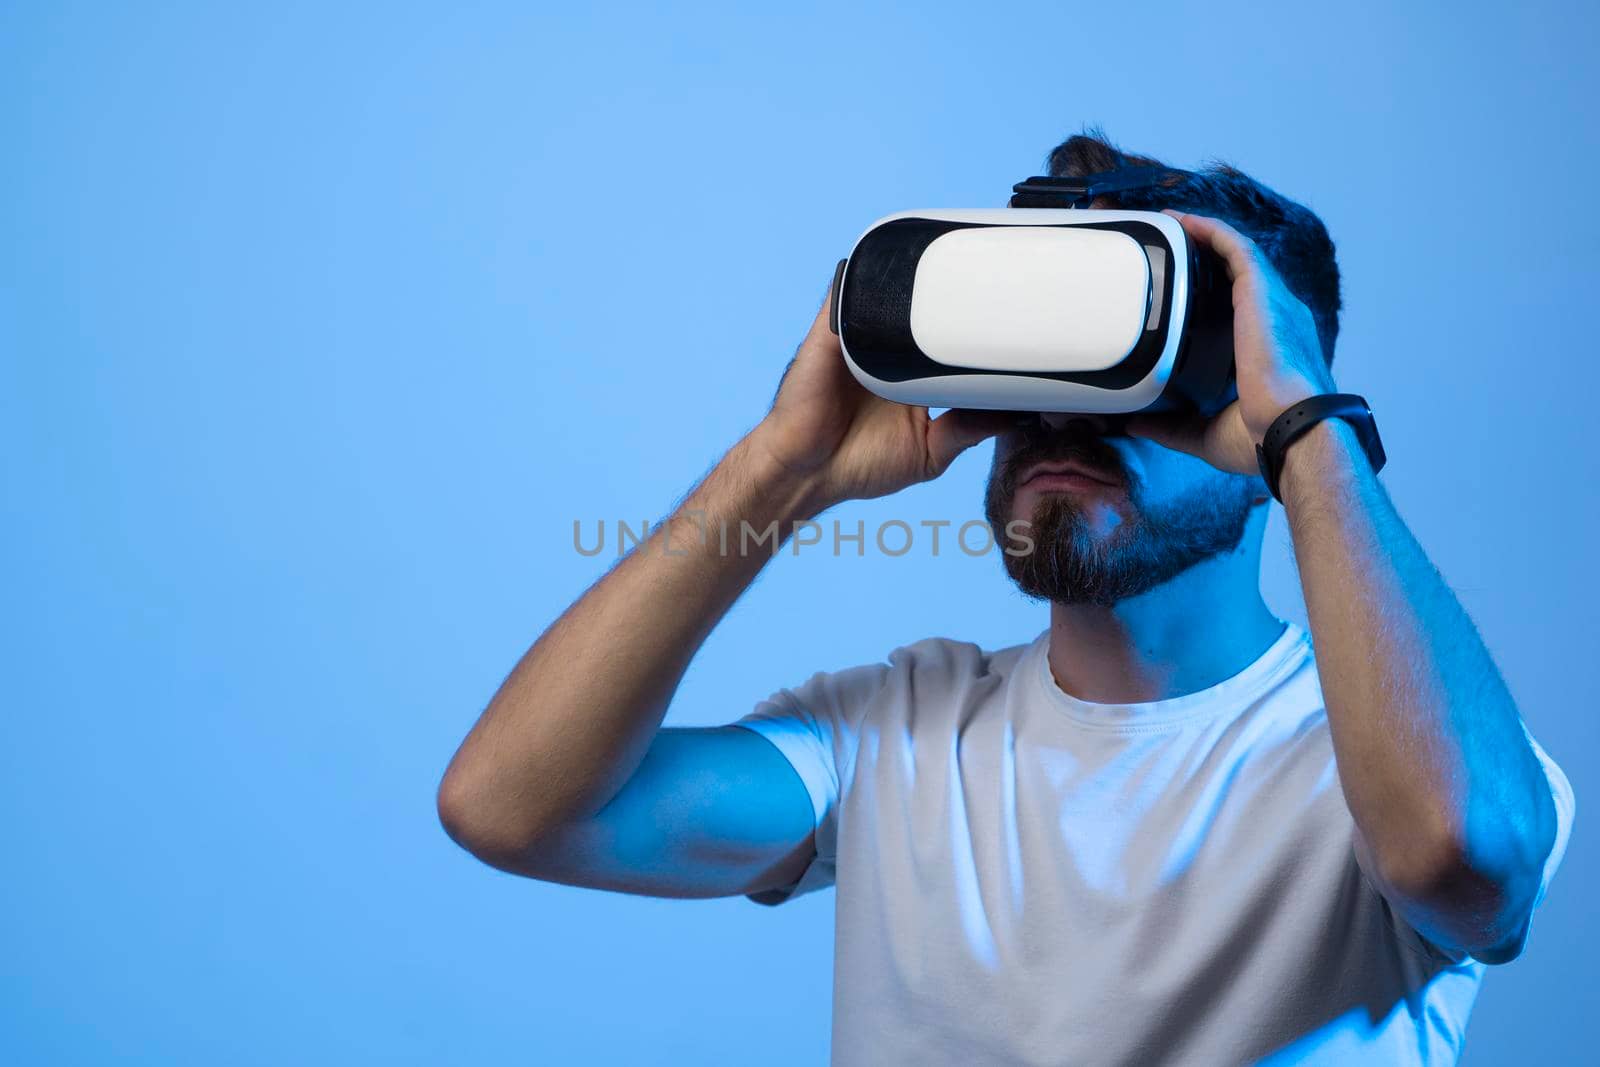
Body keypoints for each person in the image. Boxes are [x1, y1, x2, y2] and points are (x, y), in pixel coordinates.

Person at [436, 132, 1574, 1065]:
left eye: (1134, 378)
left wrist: (1308, 434)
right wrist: (785, 462)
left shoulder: (1391, 755)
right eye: (1034, 369)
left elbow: (1457, 860)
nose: (1063, 416)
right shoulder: (899, 729)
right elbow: (511, 808)